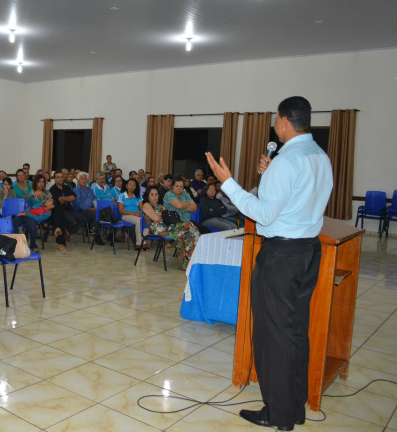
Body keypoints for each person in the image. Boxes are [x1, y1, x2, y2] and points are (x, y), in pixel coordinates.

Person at [207, 96, 333, 431]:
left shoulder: (287, 161)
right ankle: (294, 408)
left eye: (276, 120)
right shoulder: (319, 156)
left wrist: (228, 183)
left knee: (273, 336)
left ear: (283, 122)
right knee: (294, 333)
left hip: (281, 256)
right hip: (308, 251)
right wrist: (268, 175)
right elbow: (296, 199)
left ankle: (278, 415)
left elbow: (263, 213)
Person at [142, 186, 199, 270]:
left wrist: (163, 216)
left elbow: (167, 217)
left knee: (186, 234)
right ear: (148, 196)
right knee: (189, 225)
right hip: (158, 230)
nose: (155, 197)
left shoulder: (160, 206)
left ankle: (187, 263)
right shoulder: (146, 205)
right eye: (152, 195)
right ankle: (194, 258)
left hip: (167, 228)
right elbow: (156, 218)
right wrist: (163, 216)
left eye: (156, 194)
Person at [12, 174, 53, 253]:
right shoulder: (33, 192)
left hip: (36, 215)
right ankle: (17, 243)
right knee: (14, 222)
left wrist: (42, 197)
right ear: (36, 183)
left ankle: (33, 246)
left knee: (31, 224)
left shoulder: (47, 193)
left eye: (43, 182)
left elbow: (50, 204)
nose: (41, 184)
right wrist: (33, 195)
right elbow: (27, 202)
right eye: (39, 182)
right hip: (28, 212)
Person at [48, 170, 82, 252]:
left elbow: (74, 197)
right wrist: (67, 198)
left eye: (61, 177)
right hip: (57, 211)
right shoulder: (52, 189)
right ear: (54, 179)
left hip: (69, 209)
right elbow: (59, 201)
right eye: (58, 177)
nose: (60, 179)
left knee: (83, 219)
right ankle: (60, 242)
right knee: (61, 217)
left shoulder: (66, 187)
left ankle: (63, 231)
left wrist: (64, 198)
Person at [73, 172, 104, 245]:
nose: (84, 180)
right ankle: (97, 236)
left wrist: (96, 207)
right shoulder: (76, 190)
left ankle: (93, 228)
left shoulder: (89, 189)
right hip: (82, 210)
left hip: (92, 209)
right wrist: (90, 208)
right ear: (78, 180)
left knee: (103, 212)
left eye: (85, 179)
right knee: (96, 214)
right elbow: (79, 204)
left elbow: (95, 199)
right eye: (82, 179)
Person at [117, 178, 144, 250]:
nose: (132, 186)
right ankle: (139, 244)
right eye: (130, 185)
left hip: (137, 215)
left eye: (134, 185)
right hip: (126, 216)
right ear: (126, 186)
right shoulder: (122, 195)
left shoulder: (138, 196)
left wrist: (141, 213)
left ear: (136, 187)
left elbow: (141, 208)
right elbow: (121, 210)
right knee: (139, 221)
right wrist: (134, 214)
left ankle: (143, 243)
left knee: (145, 220)